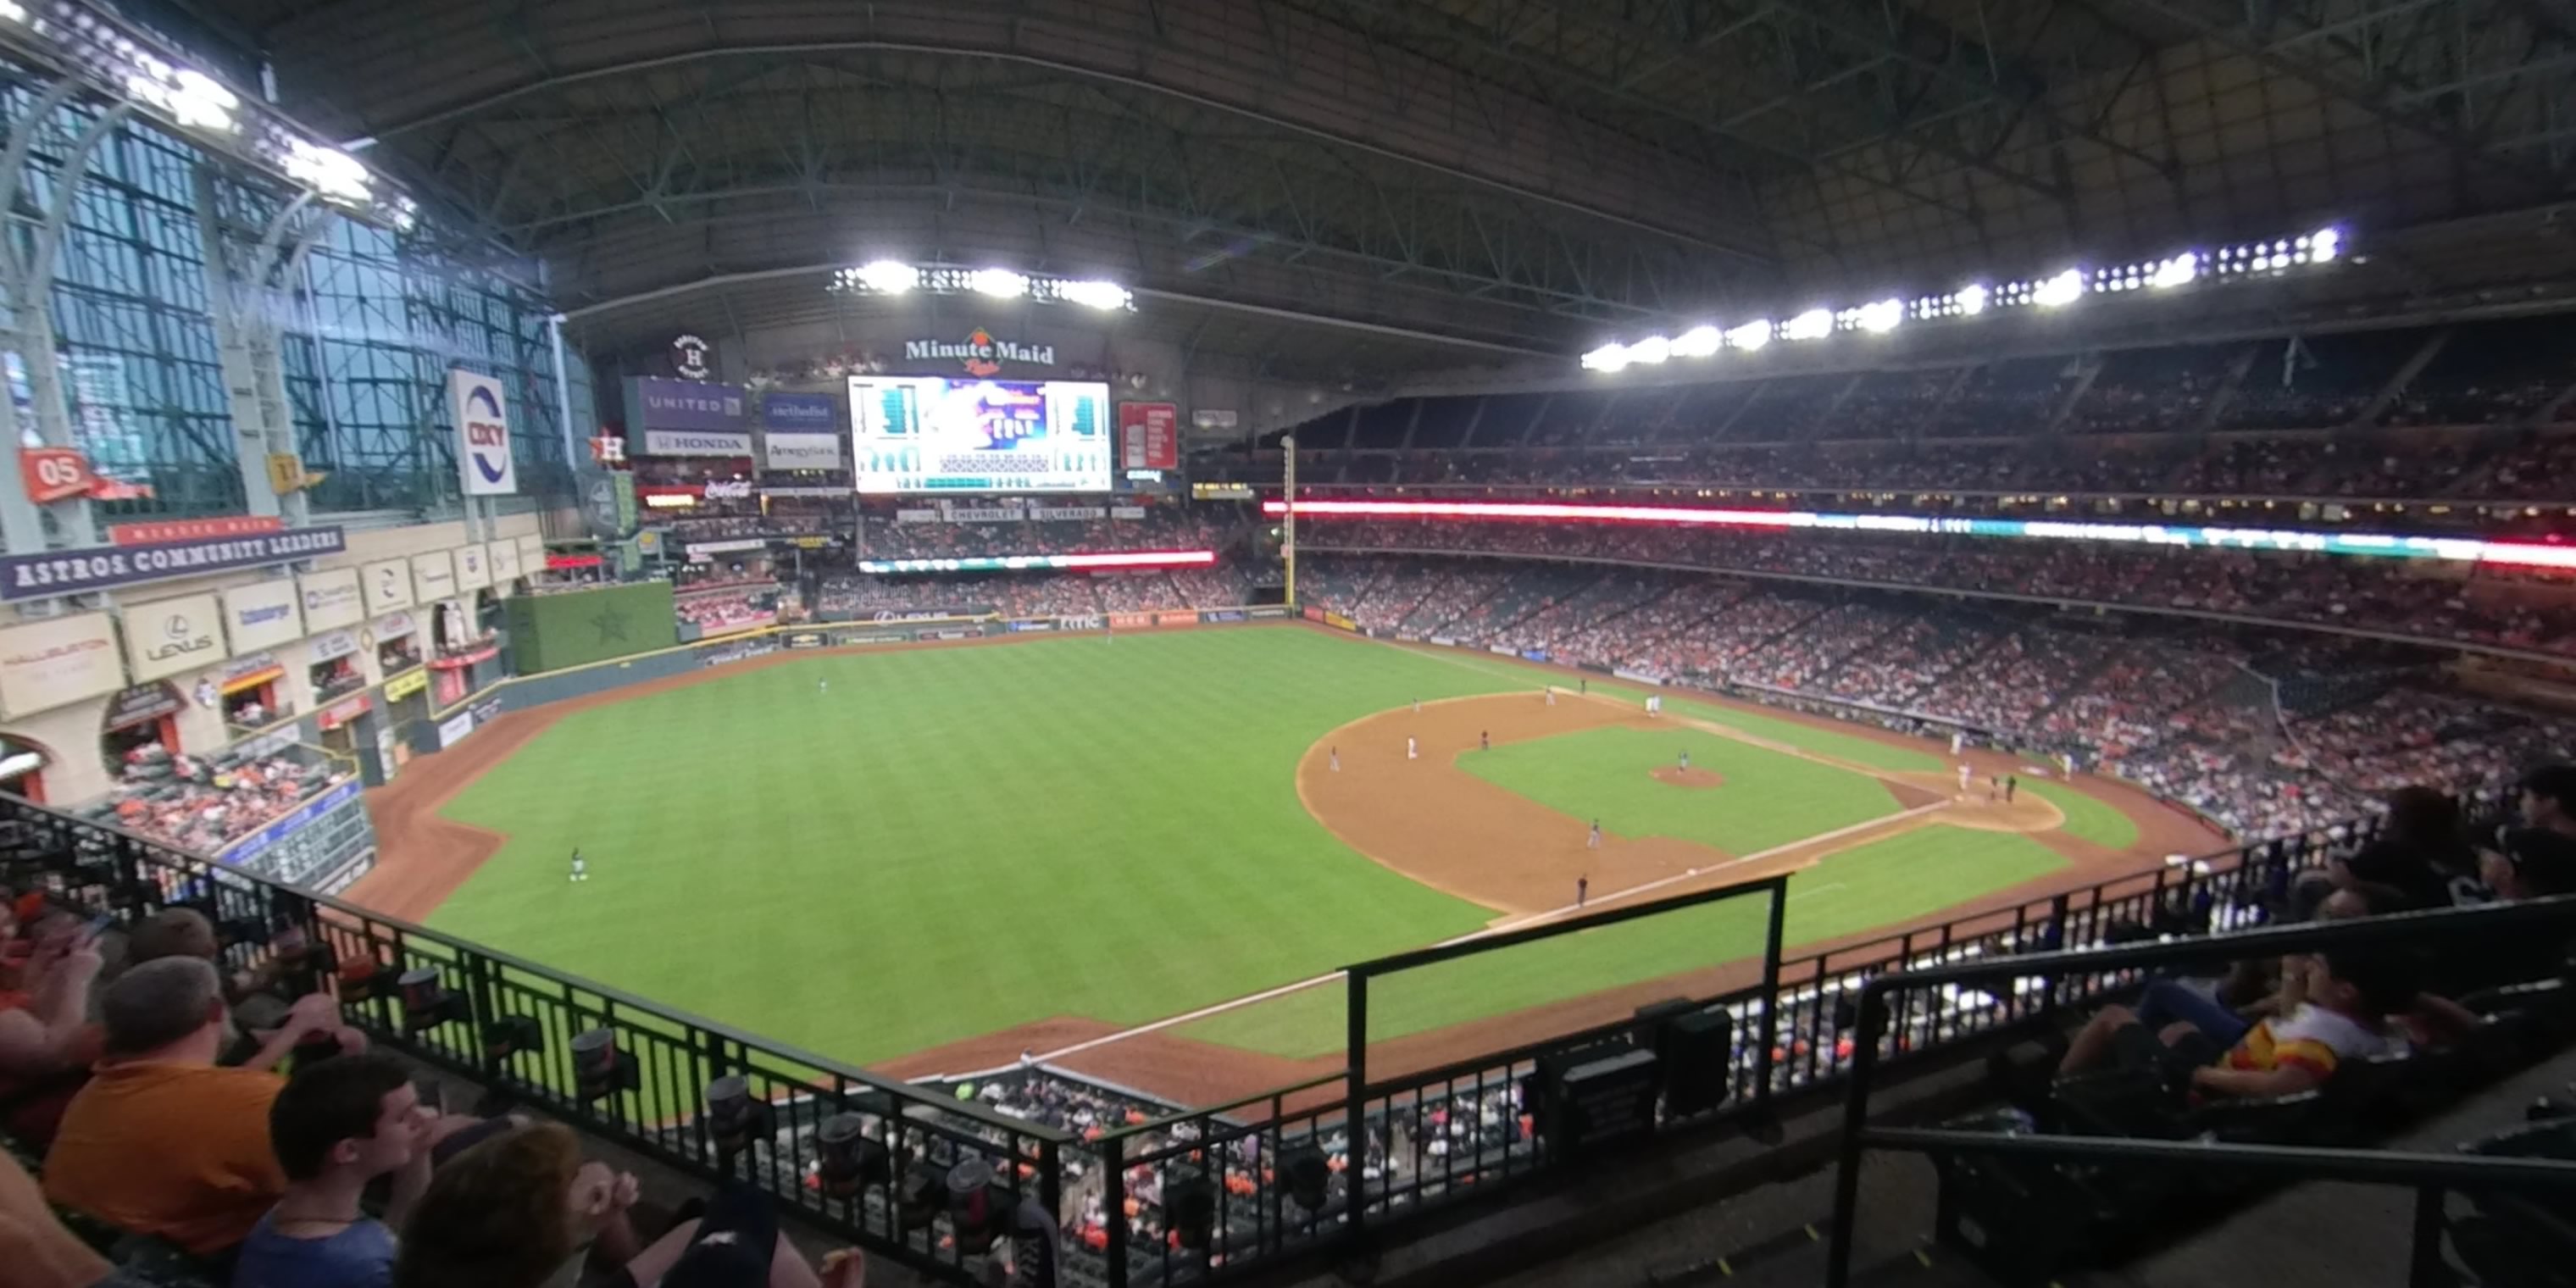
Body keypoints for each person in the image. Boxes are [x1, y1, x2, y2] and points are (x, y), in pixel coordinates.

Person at [42, 958, 347, 1257]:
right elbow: (341, 1170)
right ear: (215, 1010)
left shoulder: (98, 1090)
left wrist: (287, 1035)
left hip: (100, 1257)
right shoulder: (250, 1101)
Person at [2058, 949, 2415, 1102]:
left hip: (2208, 1091)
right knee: (2176, 1032)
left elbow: (2282, 1085)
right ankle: (2112, 1081)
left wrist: (2202, 1076)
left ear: (2346, 991)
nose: (2310, 970)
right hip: (2237, 1061)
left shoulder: (2320, 1035)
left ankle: (2057, 1093)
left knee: (2112, 1016)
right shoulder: (2375, 1027)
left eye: (2319, 967)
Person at [234, 1054, 433, 1288]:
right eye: (404, 1117)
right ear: (348, 1150)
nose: (423, 1119)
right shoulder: (364, 1271)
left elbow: (391, 1237)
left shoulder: (281, 1221)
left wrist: (418, 1151)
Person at [0, 910, 104, 1148]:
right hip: (45, 1130)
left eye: (7, 923)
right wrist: (77, 978)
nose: (5, 934)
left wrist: (49, 968)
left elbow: (36, 1015)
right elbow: (56, 1054)